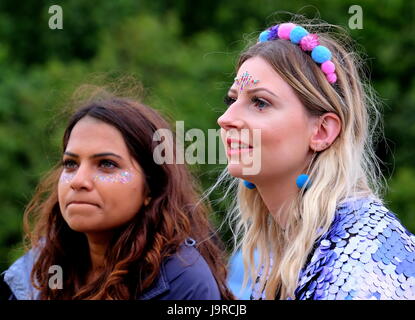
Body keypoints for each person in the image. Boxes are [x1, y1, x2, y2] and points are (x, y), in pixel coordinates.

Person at [217, 19, 415, 300]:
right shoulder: (288, 242)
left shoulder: (361, 269)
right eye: (231, 100)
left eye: (260, 102)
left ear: (322, 131)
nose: (226, 119)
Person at [0, 87, 233, 300]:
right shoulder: (42, 268)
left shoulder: (181, 282)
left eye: (107, 164)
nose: (79, 181)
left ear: (151, 186)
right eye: (71, 164)